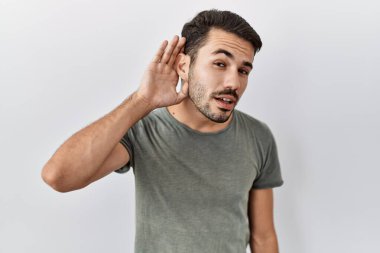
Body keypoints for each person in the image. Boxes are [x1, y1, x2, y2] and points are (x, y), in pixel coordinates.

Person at [41, 9, 284, 253]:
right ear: (183, 66)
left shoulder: (258, 136)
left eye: (243, 71)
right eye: (220, 64)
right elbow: (59, 176)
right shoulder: (143, 130)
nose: (234, 83)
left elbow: (263, 237)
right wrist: (141, 100)